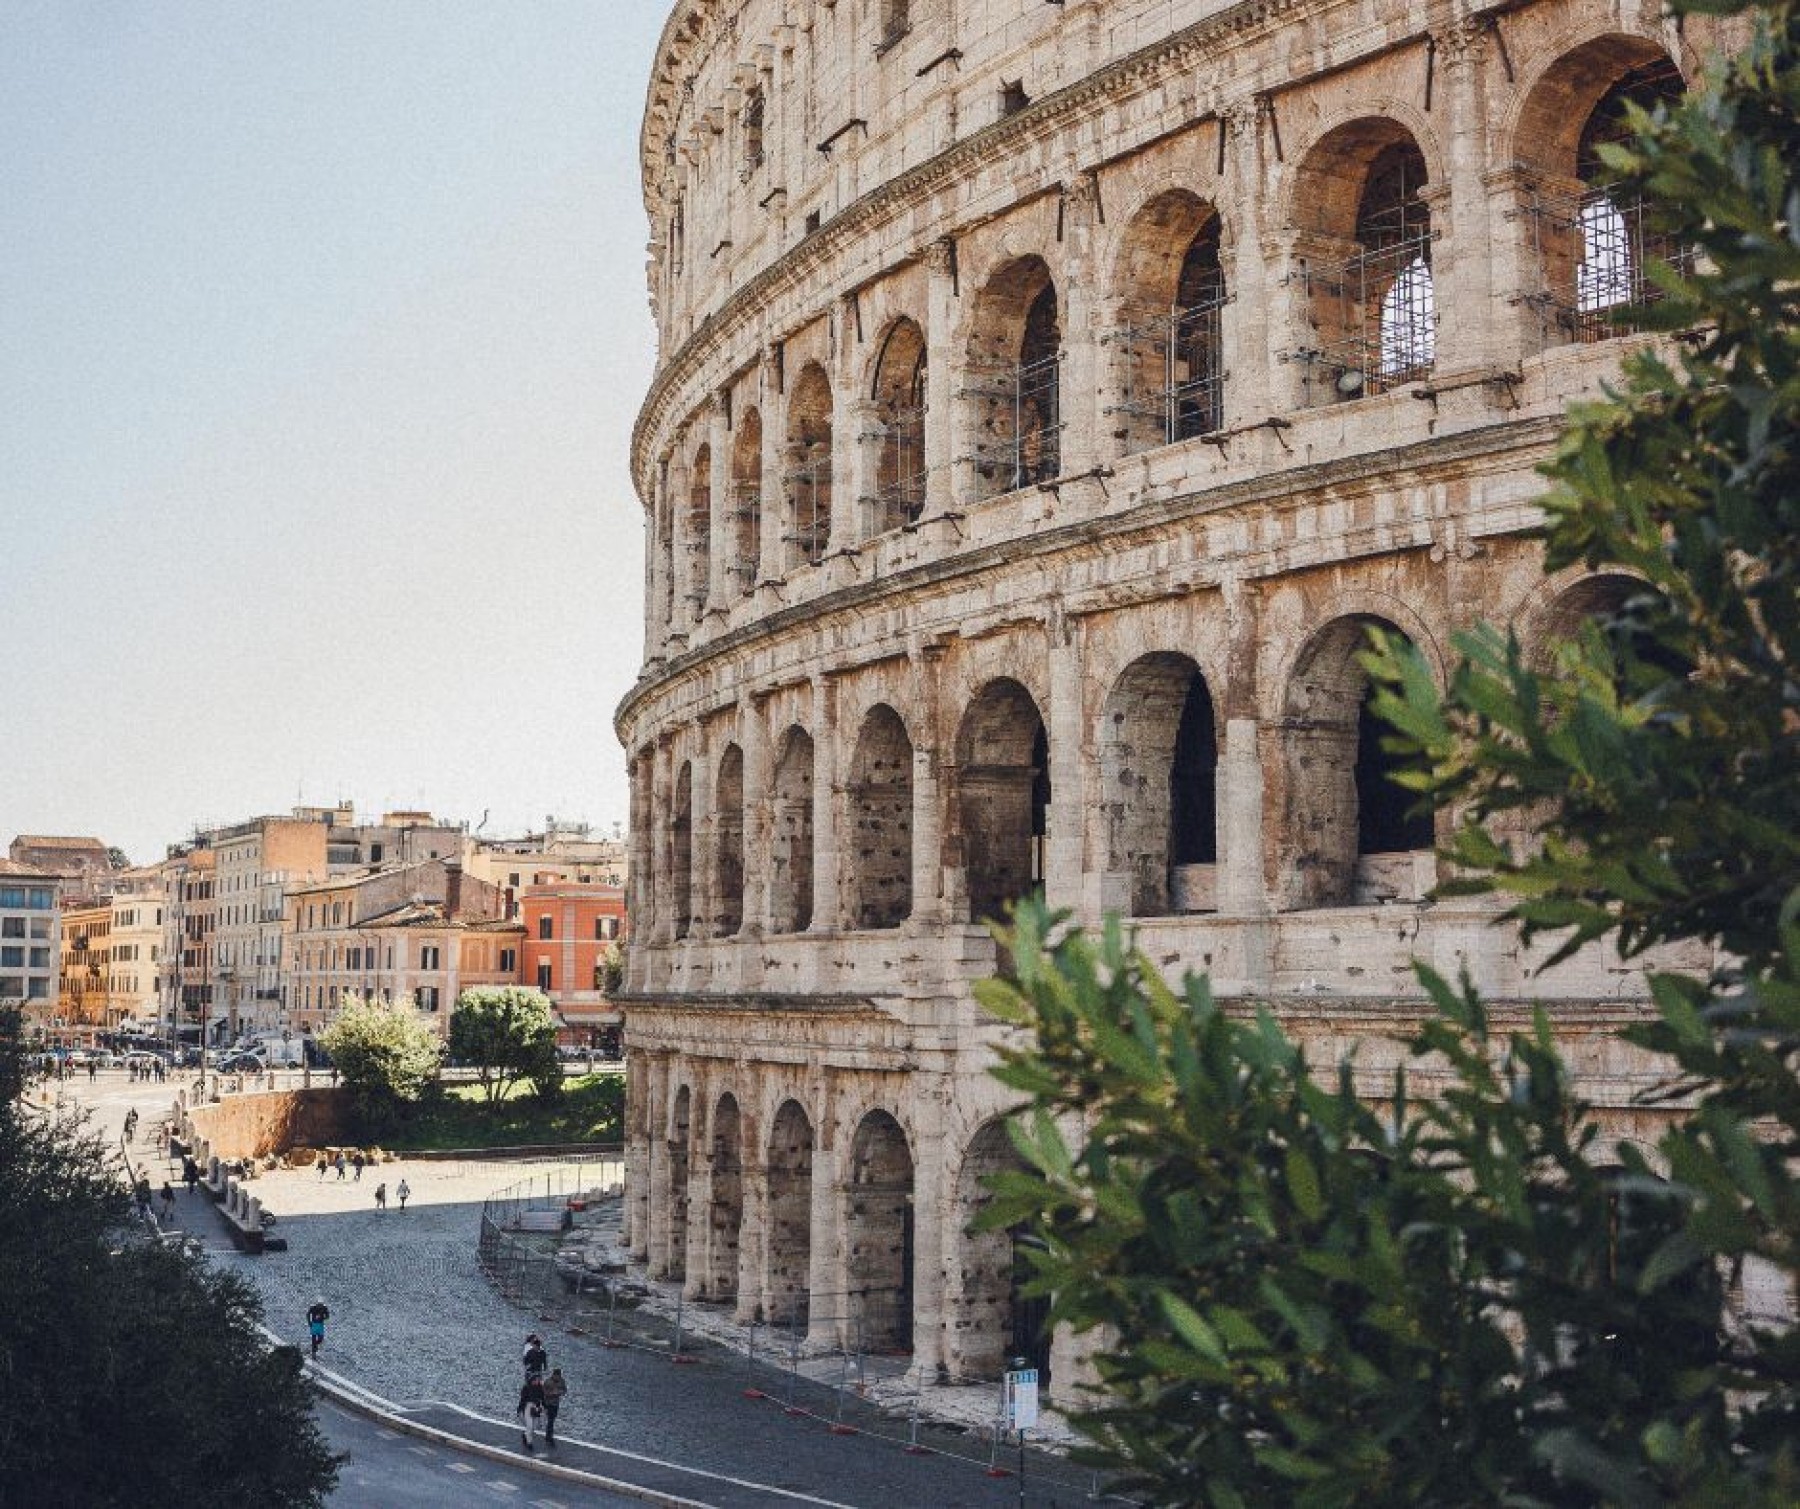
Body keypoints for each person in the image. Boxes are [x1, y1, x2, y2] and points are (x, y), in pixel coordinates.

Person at [516, 1373, 547, 1452]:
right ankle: (529, 1443)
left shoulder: (540, 1387)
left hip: (536, 1407)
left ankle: (525, 1435)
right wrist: (520, 1409)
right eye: (536, 1380)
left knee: (534, 1426)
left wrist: (544, 1406)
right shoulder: (526, 1388)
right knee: (530, 1425)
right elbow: (522, 1400)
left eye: (538, 1380)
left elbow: (543, 1398)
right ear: (532, 1380)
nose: (538, 1381)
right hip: (528, 1406)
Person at [541, 1367, 567, 1446]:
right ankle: (549, 1437)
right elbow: (543, 1392)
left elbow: (564, 1390)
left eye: (559, 1376)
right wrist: (552, 1393)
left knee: (552, 1419)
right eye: (557, 1376)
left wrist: (560, 1392)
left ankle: (548, 1436)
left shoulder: (562, 1381)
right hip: (548, 1403)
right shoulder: (548, 1382)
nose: (558, 1377)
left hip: (556, 1403)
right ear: (554, 1375)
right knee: (551, 1420)